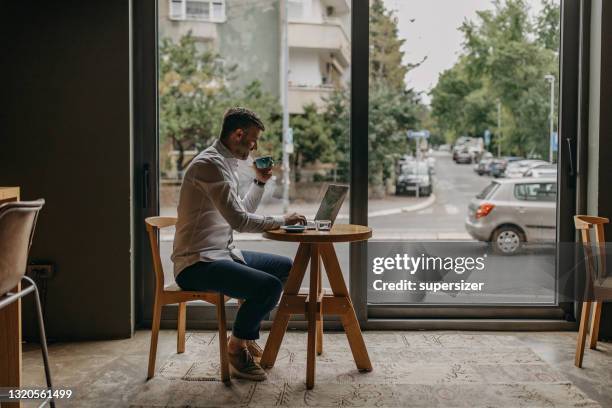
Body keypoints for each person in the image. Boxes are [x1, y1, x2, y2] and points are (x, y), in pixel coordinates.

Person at [171, 107, 306, 381]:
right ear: (238, 134)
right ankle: (236, 347)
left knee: (284, 267)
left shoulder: (226, 163)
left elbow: (239, 210)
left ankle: (243, 333)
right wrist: (282, 219)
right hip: (196, 264)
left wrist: (259, 182)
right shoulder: (209, 166)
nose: (254, 146)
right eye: (252, 139)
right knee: (269, 287)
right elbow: (240, 221)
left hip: (223, 254)